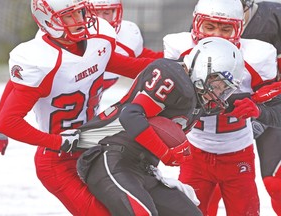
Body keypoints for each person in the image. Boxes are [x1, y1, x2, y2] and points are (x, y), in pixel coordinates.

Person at [0, 0, 156, 215]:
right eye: (70, 16)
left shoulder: (97, 42)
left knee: (137, 209)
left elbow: (133, 67)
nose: (80, 21)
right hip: (57, 159)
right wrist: (58, 141)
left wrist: (182, 65)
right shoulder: (40, 59)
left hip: (93, 144)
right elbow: (9, 120)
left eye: (80, 13)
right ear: (48, 20)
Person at [76, 37, 244, 216]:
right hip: (111, 155)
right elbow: (131, 116)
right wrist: (165, 153)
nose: (218, 94)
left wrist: (260, 102)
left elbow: (237, 102)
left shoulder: (197, 95)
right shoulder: (172, 77)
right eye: (216, 85)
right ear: (202, 68)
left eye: (223, 89)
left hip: (143, 168)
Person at [163, 0, 281, 215]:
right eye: (210, 27)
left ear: (239, 28)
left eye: (226, 29)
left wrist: (259, 110)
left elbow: (277, 112)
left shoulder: (258, 56)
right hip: (194, 153)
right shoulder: (182, 50)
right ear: (197, 24)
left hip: (238, 153)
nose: (217, 34)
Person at [207, 0, 281, 215]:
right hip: (225, 118)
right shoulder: (207, 19)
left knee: (276, 183)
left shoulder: (273, 19)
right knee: (209, 189)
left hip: (272, 107)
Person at [89, 0, 163, 95]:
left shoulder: (126, 36)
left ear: (115, 12)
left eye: (106, 13)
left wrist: (182, 56)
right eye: (94, 12)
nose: (101, 19)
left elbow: (146, 57)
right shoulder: (72, 44)